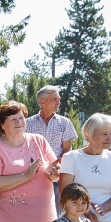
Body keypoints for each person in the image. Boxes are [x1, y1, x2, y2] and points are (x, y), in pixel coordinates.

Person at [25, 85, 78, 215]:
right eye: (55, 99)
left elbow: (67, 150)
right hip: (33, 177)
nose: (59, 102)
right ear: (42, 102)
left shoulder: (64, 123)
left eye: (59, 99)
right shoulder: (27, 124)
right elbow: (23, 149)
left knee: (54, 214)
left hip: (56, 176)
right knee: (32, 213)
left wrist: (55, 167)